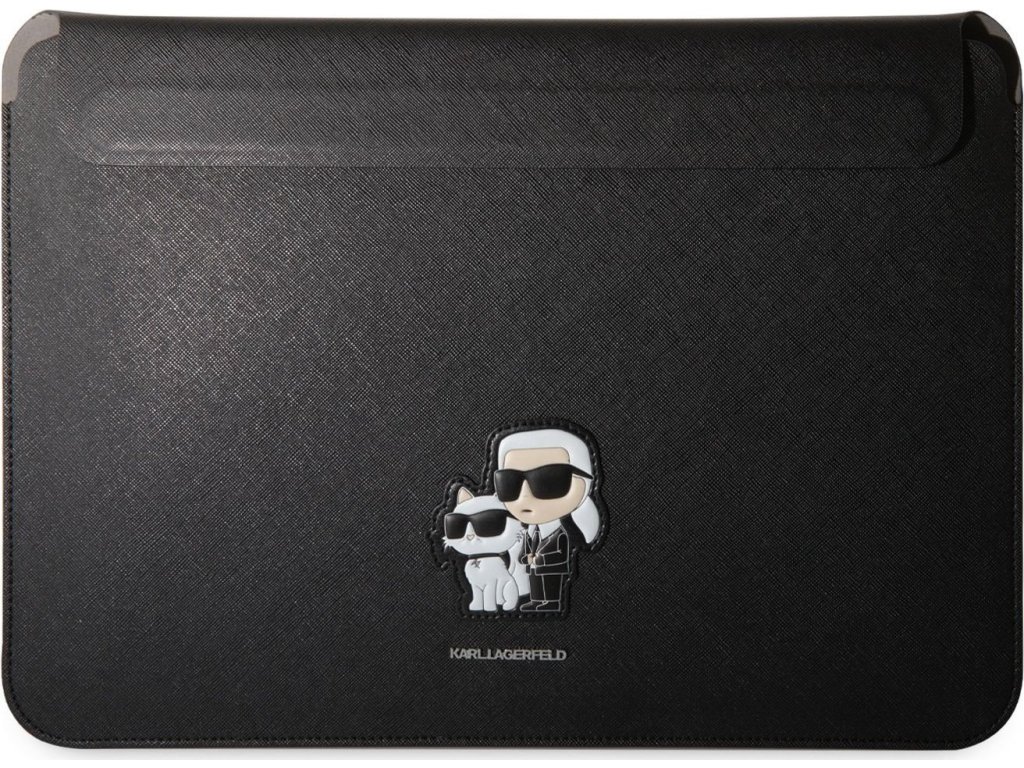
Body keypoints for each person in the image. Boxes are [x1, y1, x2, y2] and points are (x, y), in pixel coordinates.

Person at [492, 426, 603, 613]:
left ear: (583, 483)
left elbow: (560, 554)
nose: (525, 495)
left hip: (552, 569)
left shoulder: (562, 533)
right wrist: (526, 558)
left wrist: (540, 558)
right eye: (510, 482)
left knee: (550, 587)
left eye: (548, 481)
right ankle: (537, 601)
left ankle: (550, 603)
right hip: (535, 568)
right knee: (536, 585)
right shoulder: (529, 532)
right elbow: (525, 551)